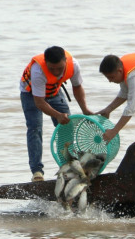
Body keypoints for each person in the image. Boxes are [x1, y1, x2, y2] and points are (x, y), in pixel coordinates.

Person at [20, 46, 93, 182]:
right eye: (51, 69)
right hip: (31, 94)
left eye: (59, 68)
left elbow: (77, 87)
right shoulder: (38, 71)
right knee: (35, 128)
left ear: (65, 61)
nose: (56, 72)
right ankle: (37, 172)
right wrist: (58, 115)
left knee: (67, 127)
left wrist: (85, 109)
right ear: (46, 62)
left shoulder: (74, 65)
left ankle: (69, 166)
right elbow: (40, 102)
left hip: (54, 91)